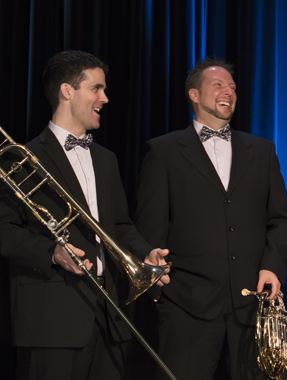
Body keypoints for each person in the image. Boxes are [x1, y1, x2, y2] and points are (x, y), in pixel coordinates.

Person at [0, 50, 169, 380]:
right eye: (96, 88)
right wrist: (53, 253)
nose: (105, 98)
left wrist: (144, 253)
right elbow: (4, 231)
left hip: (111, 316)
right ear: (67, 91)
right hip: (52, 318)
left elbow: (119, 224)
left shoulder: (106, 159)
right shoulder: (21, 158)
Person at [134, 57, 287, 380]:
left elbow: (281, 219)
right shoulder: (163, 152)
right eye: (218, 85)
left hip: (252, 305)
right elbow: (150, 229)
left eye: (233, 87)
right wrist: (158, 290)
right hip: (186, 306)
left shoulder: (262, 151)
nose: (229, 92)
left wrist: (273, 267)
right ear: (194, 95)